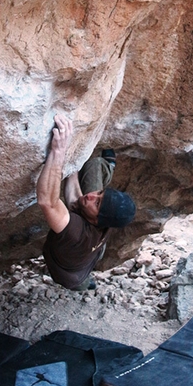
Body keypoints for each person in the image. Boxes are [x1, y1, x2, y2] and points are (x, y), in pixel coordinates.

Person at [37, 113, 136, 291]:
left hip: (71, 274)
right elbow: (75, 197)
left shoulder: (76, 234)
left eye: (97, 203)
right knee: (94, 166)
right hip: (96, 249)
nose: (91, 196)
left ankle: (85, 284)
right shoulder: (105, 219)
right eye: (100, 193)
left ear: (96, 221)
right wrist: (72, 159)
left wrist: (58, 152)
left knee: (81, 282)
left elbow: (48, 202)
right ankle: (107, 167)